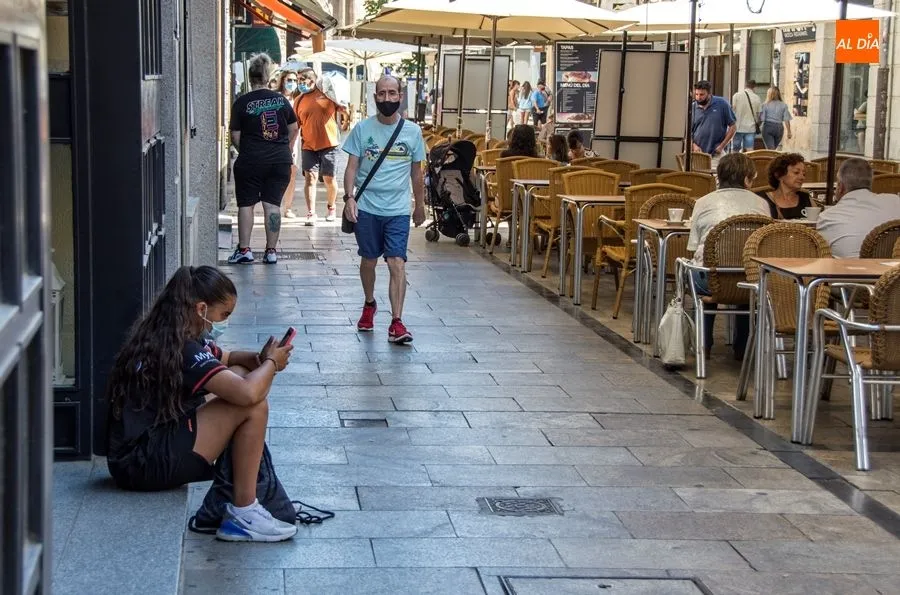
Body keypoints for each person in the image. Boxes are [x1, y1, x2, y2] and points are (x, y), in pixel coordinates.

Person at [106, 265, 297, 542]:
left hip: (136, 455)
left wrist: (258, 359)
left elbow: (228, 358)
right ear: (201, 309)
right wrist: (271, 363)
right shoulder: (183, 348)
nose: (224, 322)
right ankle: (244, 511)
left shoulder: (170, 334)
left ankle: (233, 499)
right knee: (252, 406)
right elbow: (247, 395)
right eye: (224, 315)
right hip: (142, 464)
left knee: (240, 378)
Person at [342, 75, 427, 344]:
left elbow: (417, 174)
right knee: (368, 261)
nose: (387, 99)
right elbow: (352, 167)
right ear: (375, 96)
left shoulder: (413, 132)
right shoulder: (362, 129)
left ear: (400, 96)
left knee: (396, 262)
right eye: (382, 94)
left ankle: (397, 322)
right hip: (367, 207)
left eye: (392, 93)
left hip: (398, 209)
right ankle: (369, 304)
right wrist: (348, 198)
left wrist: (420, 206)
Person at [687, 153, 771, 360]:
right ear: (746, 179)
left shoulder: (703, 202)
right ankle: (742, 347)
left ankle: (703, 345)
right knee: (746, 285)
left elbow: (693, 247)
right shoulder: (761, 204)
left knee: (703, 273)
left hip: (710, 279)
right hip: (750, 280)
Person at [228, 53, 299, 265]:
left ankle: (244, 250)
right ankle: (271, 251)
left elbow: (235, 136)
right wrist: (285, 148)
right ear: (269, 77)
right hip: (279, 161)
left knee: (246, 204)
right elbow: (294, 128)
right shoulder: (281, 101)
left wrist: (247, 150)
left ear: (250, 77)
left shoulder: (241, 102)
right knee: (272, 205)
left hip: (250, 160)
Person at [817, 158, 900, 258]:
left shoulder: (828, 217)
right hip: (894, 271)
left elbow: (821, 253)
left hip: (850, 272)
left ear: (841, 187)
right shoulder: (895, 202)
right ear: (870, 183)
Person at [294, 67, 343, 226]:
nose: (299, 83)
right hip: (308, 145)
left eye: (302, 79)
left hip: (329, 143)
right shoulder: (298, 100)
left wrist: (344, 114)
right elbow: (296, 126)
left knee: (329, 179)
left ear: (312, 80)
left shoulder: (326, 94)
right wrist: (290, 146)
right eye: (298, 80)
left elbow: (342, 108)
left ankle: (331, 207)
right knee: (311, 178)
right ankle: (311, 212)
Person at [276, 70, 301, 219]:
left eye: (294, 80)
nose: (292, 83)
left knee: (292, 174)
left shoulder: (299, 99)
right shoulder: (277, 98)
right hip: (279, 140)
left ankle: (288, 207)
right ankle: (276, 203)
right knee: (278, 174)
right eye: (289, 79)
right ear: (283, 80)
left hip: (295, 140)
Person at [756, 153, 812, 219]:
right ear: (779, 175)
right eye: (796, 172)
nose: (802, 177)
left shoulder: (806, 198)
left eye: (804, 174)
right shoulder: (762, 200)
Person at [691, 80, 736, 156]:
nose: (698, 97)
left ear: (709, 94)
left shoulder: (722, 104)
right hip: (697, 153)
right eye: (696, 94)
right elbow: (687, 133)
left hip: (716, 153)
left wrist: (722, 146)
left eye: (702, 94)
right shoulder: (692, 107)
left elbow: (733, 127)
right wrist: (693, 146)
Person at [731, 79, 761, 153]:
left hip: (738, 127)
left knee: (735, 149)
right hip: (750, 128)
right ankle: (748, 164)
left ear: (745, 86)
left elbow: (732, 111)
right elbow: (759, 114)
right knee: (749, 150)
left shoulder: (736, 95)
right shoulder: (757, 97)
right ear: (754, 87)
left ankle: (734, 164)